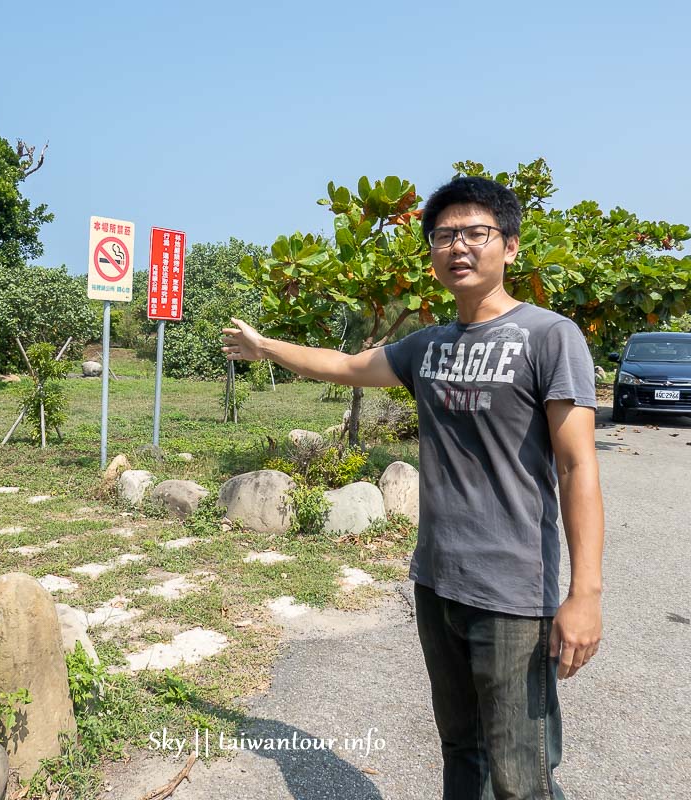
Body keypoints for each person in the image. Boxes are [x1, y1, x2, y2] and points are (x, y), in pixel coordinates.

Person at [221, 175, 604, 800]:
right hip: (437, 581)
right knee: (460, 749)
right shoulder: (427, 346)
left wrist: (583, 593)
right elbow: (346, 366)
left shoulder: (549, 336)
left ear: (508, 246)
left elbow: (577, 467)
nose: (459, 247)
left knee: (520, 771)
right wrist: (267, 348)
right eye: (444, 236)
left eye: (476, 233)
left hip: (514, 592)